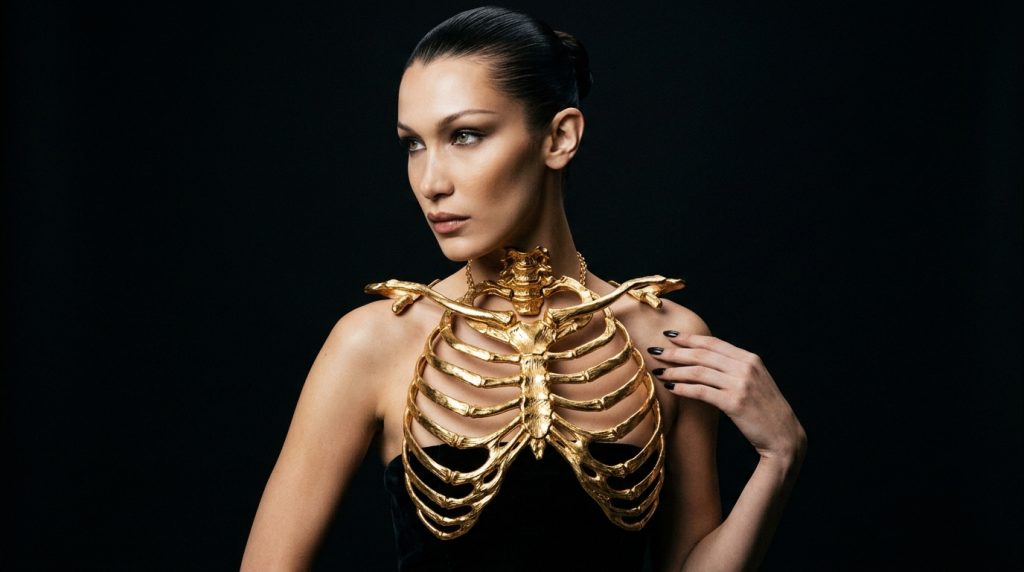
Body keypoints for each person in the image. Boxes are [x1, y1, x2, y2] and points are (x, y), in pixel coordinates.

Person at [240, 6, 807, 571]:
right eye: (414, 144)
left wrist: (780, 458)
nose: (431, 182)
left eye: (465, 136)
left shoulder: (666, 336)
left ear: (559, 137)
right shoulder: (374, 342)